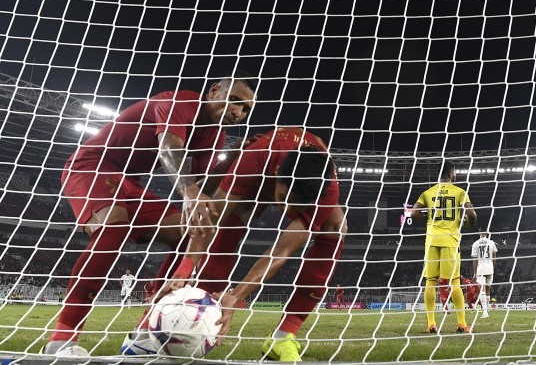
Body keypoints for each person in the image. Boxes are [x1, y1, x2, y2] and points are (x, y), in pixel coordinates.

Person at [44, 74, 257, 357]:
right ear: (214, 90)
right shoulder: (178, 102)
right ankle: (62, 338)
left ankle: (148, 329)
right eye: (234, 101)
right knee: (114, 226)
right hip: (91, 167)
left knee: (190, 233)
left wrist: (232, 158)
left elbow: (204, 184)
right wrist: (189, 191)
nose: (238, 113)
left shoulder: (215, 135)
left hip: (130, 183)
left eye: (245, 110)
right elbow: (169, 148)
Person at [123, 127, 346, 363]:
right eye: (284, 200)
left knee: (336, 226)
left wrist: (236, 295)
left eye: (297, 208)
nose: (287, 211)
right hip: (257, 173)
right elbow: (212, 218)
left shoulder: (326, 189)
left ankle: (283, 336)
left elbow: (283, 250)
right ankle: (153, 324)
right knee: (226, 217)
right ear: (279, 174)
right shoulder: (256, 157)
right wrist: (184, 270)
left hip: (291, 176)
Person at [411, 161, 477, 334]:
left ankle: (431, 324)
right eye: (454, 171)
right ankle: (461, 324)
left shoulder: (428, 192)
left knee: (430, 282)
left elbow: (413, 213)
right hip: (450, 241)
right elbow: (471, 214)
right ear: (451, 173)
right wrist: (468, 223)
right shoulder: (460, 192)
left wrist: (430, 214)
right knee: (454, 282)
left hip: (431, 240)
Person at [471, 231, 498, 318]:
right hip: (490, 268)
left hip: (481, 269)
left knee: (482, 290)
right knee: (488, 289)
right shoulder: (491, 243)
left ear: (479, 233)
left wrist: (475, 273)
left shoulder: (475, 244)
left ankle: (485, 312)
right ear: (487, 234)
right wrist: (492, 268)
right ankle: (487, 309)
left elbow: (475, 260)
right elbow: (494, 257)